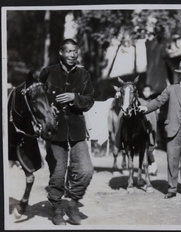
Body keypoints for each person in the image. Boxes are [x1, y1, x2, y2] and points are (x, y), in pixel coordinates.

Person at [39, 39, 95, 225]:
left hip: (77, 129)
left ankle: (73, 202)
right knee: (57, 172)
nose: (72, 55)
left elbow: (89, 100)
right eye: (68, 51)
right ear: (61, 53)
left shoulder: (84, 74)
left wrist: (75, 97)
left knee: (86, 170)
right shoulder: (48, 72)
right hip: (54, 130)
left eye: (75, 51)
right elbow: (36, 95)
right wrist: (48, 107)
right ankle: (56, 208)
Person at [139, 60, 181, 199]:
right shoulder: (171, 89)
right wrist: (146, 107)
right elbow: (158, 101)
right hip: (173, 128)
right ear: (179, 75)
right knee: (172, 159)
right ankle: (172, 188)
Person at [139, 85, 158, 176]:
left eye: (148, 91)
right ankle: (153, 167)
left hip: (152, 129)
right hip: (142, 129)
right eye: (144, 91)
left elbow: (155, 117)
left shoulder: (154, 102)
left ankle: (153, 167)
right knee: (145, 149)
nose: (146, 93)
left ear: (151, 92)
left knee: (151, 148)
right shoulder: (139, 101)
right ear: (142, 92)